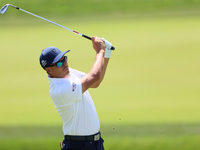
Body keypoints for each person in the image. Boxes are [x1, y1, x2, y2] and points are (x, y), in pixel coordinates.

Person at [39, 36, 112, 150]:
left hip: (96, 143)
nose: (64, 64)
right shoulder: (59, 90)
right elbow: (94, 75)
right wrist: (99, 51)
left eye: (64, 59)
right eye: (59, 63)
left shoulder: (68, 72)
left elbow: (95, 82)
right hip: (78, 146)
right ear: (48, 70)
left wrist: (106, 53)